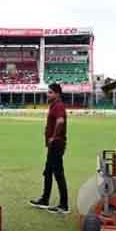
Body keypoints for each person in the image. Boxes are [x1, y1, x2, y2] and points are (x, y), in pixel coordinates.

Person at [29, 82, 69, 214]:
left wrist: (53, 136)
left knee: (58, 174)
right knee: (48, 172)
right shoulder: (54, 106)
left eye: (50, 92)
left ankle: (63, 205)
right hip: (54, 145)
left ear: (57, 94)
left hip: (56, 144)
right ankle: (45, 200)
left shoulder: (58, 106)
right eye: (48, 92)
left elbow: (60, 122)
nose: (48, 94)